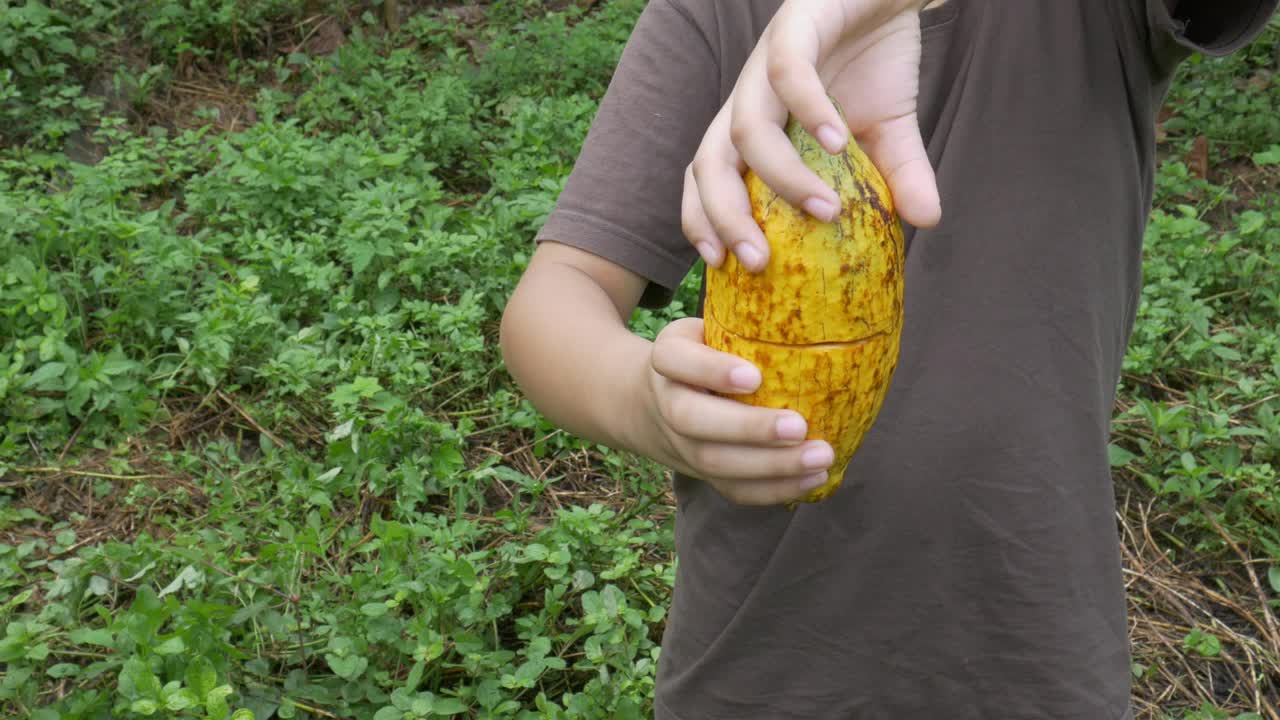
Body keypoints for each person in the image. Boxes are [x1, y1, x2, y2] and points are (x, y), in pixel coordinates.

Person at [499, 1, 1278, 717]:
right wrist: (645, 402)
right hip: (755, 672)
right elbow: (557, 297)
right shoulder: (716, 12)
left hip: (1034, 664)